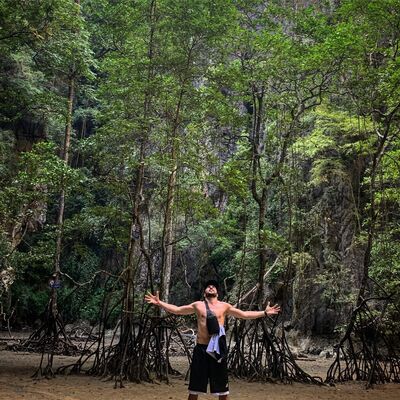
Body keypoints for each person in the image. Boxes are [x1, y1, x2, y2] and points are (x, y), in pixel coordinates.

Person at [145, 279, 281, 400]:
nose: (211, 287)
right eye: (208, 286)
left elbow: (244, 314)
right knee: (194, 389)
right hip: (201, 350)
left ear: (218, 293)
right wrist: (160, 303)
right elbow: (177, 310)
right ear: (204, 293)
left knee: (222, 390)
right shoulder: (198, 305)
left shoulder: (224, 306)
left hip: (217, 351)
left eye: (214, 286)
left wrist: (264, 313)